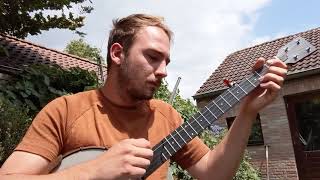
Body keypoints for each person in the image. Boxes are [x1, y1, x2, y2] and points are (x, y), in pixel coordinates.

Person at [0, 14, 287, 180]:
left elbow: (214, 174)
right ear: (117, 53)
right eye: (152, 57)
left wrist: (248, 111)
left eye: (166, 62)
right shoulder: (65, 110)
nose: (163, 71)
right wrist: (94, 170)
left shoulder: (166, 115)